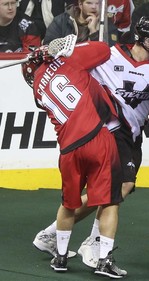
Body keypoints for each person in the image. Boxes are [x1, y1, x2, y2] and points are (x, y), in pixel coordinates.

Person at [32, 16, 149, 271]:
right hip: (110, 130)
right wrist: (50, 52)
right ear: (145, 40)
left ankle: (53, 233)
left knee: (116, 191)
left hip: (133, 137)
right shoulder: (110, 56)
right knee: (117, 190)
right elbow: (71, 64)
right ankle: (94, 245)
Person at [22, 35, 126, 278]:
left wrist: (47, 56)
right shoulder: (69, 61)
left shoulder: (37, 89)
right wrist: (60, 51)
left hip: (68, 150)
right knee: (109, 201)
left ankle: (60, 258)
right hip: (97, 139)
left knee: (69, 203)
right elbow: (103, 50)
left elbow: (45, 77)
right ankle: (104, 261)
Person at [43, 0, 118, 46]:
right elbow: (48, 45)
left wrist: (94, 31)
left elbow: (109, 53)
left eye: (97, 3)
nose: (94, 7)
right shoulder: (62, 20)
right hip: (66, 65)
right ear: (80, 5)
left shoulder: (107, 25)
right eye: (89, 3)